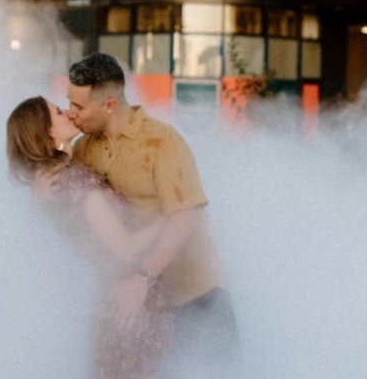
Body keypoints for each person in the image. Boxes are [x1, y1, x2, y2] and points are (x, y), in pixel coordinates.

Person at [5, 96, 171, 379]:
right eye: (58, 113)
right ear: (46, 133)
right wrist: (171, 216)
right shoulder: (74, 182)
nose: (67, 112)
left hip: (108, 303)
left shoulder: (48, 184)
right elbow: (126, 248)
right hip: (131, 300)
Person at [64, 53, 238, 362]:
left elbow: (184, 219)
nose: (71, 113)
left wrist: (142, 279)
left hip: (195, 297)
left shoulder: (163, 142)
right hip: (143, 305)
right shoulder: (84, 147)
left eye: (78, 106)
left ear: (109, 105)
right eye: (69, 103)